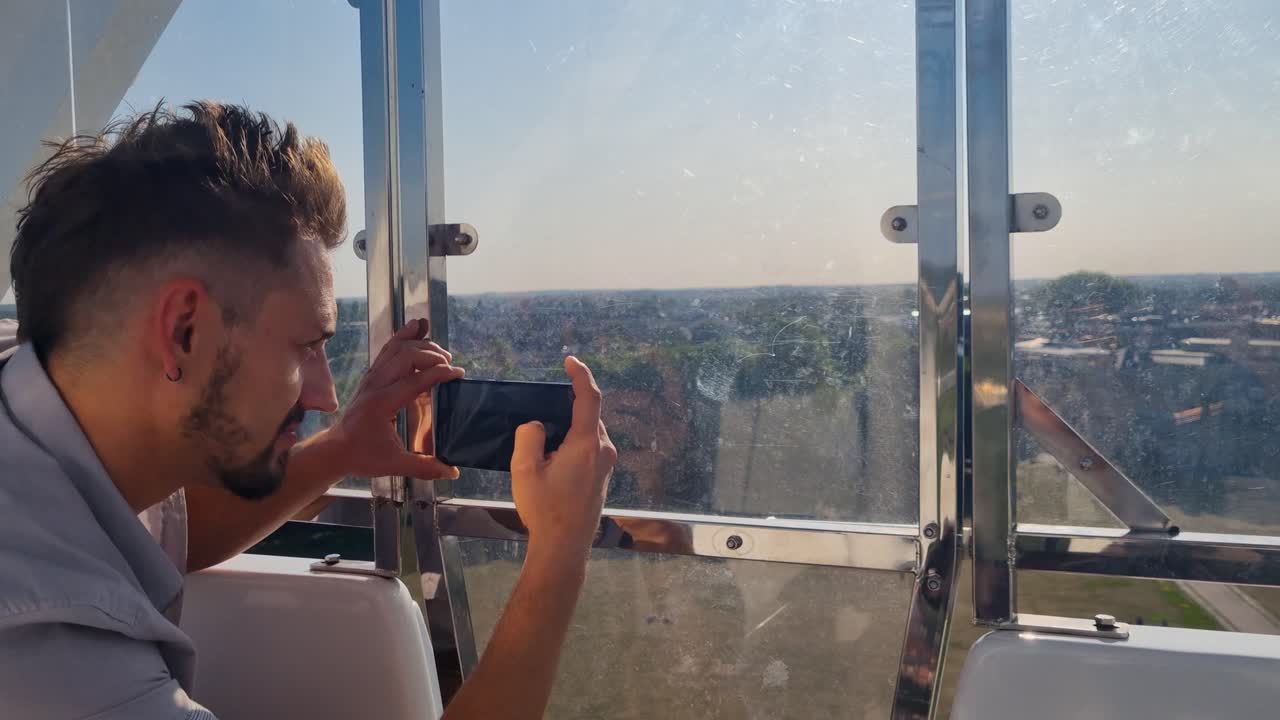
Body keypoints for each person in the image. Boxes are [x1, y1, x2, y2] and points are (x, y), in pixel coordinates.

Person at [0, 102, 617, 720]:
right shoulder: (59, 666)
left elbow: (170, 536)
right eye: (308, 347)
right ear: (184, 329)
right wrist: (560, 550)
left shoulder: (49, 408)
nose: (324, 396)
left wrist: (346, 447)